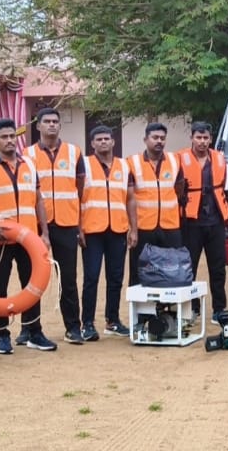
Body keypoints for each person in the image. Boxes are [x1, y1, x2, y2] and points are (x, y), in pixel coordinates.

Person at [0, 118, 57, 353]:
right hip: (0, 239)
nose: (10, 141)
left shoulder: (29, 165)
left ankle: (34, 332)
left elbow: (39, 200)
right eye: (4, 137)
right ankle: (3, 334)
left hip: (29, 238)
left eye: (12, 136)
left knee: (32, 285)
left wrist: (44, 233)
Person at [25, 107, 85, 345]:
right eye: (47, 121)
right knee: (32, 278)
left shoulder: (74, 152)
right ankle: (29, 329)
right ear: (38, 126)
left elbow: (80, 187)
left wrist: (78, 225)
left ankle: (73, 327)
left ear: (60, 126)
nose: (51, 125)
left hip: (66, 223)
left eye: (55, 121)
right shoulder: (28, 154)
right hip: (35, 225)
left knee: (68, 279)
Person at [80, 126, 137, 338]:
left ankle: (112, 320)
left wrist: (134, 229)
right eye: (99, 139)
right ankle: (87, 323)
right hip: (92, 230)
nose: (103, 142)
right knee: (91, 277)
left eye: (107, 139)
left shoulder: (124, 166)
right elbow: (76, 197)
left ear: (113, 142)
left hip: (118, 229)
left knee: (115, 278)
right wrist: (78, 228)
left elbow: (130, 199)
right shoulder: (84, 164)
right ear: (92, 144)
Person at [178, 122, 228, 324]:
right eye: (198, 137)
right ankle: (192, 308)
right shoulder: (179, 158)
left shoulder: (219, 158)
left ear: (210, 139)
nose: (202, 141)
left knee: (218, 267)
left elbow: (224, 185)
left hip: (215, 220)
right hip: (191, 222)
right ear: (192, 138)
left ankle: (219, 309)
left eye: (205, 138)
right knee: (188, 267)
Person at [127, 122, 185, 286]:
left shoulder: (174, 160)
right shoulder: (132, 162)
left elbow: (179, 189)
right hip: (143, 226)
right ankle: (139, 303)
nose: (159, 141)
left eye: (162, 138)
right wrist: (133, 228)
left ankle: (167, 302)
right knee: (139, 271)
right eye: (155, 137)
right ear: (145, 139)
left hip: (170, 226)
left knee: (171, 271)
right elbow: (129, 197)